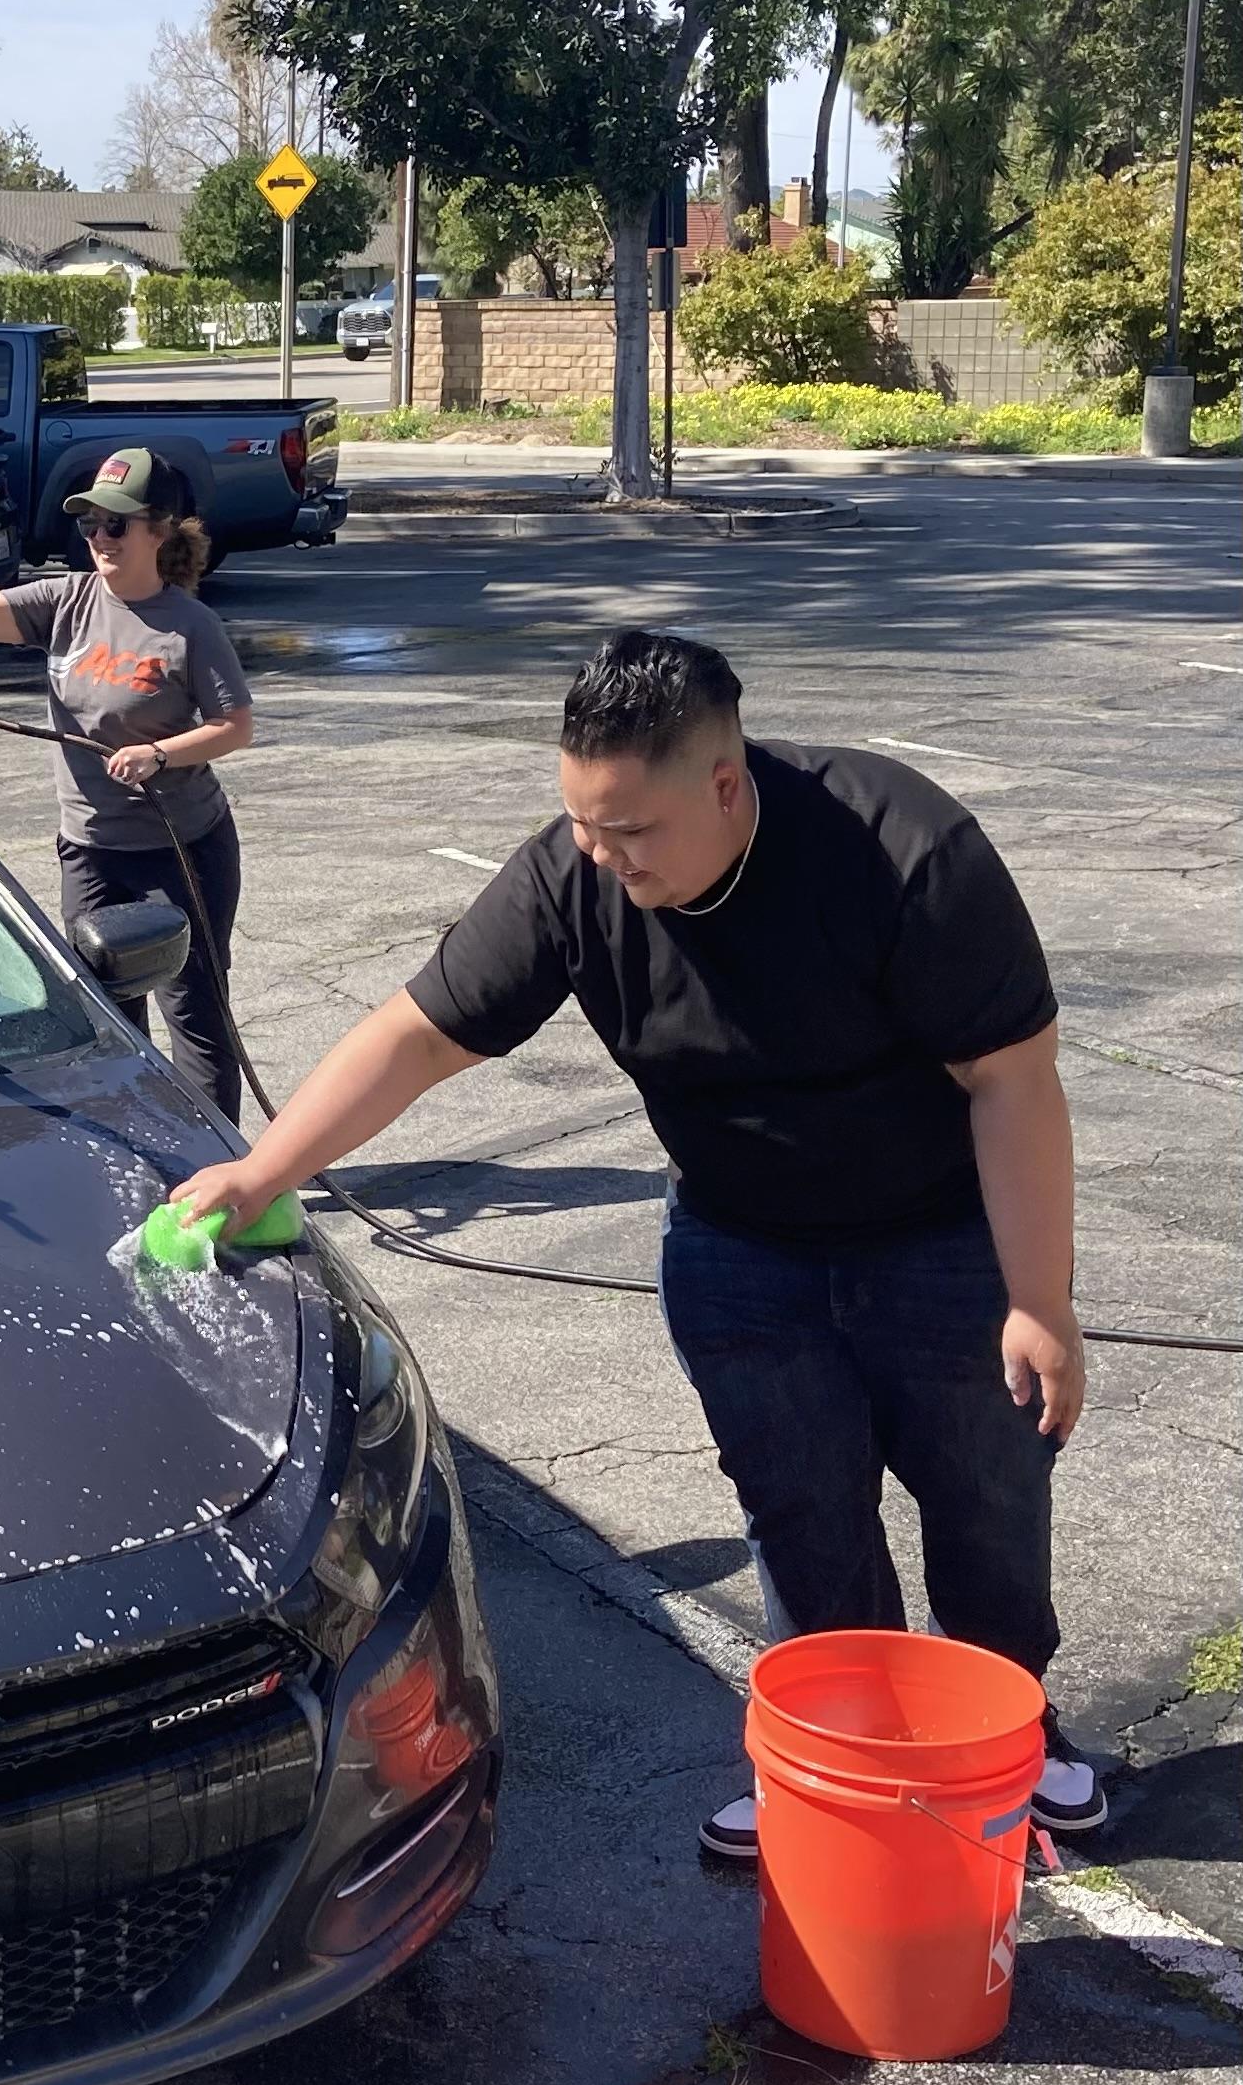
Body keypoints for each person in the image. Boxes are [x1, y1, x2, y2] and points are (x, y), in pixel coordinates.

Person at [169, 628, 1107, 1860]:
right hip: (740, 1249)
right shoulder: (575, 873)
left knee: (985, 1501)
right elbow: (424, 1030)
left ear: (725, 784)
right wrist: (265, 1167)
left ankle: (1011, 1729)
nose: (603, 858)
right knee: (803, 1517)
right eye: (584, 826)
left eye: (630, 832)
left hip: (942, 1242)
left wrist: (1037, 1298)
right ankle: (836, 1765)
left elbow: (1011, 1080)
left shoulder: (901, 848)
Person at [0, 444, 258, 1119]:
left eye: (115, 524)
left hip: (181, 849)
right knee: (106, 1015)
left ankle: (217, 1174)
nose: (98, 538)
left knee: (194, 1013)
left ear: (159, 527)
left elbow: (234, 726)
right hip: (88, 850)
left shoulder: (190, 626)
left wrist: (161, 752)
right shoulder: (66, 601)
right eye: (88, 524)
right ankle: (142, 1153)